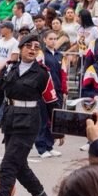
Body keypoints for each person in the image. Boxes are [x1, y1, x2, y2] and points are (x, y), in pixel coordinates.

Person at [0, 34, 60, 196]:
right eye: (28, 46)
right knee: (20, 166)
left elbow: (52, 103)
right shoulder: (9, 68)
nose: (32, 49)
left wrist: (59, 130)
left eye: (36, 47)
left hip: (29, 123)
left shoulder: (42, 73)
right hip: (10, 120)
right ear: (21, 48)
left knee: (8, 165)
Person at [35, 30, 68, 159]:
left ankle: (49, 145)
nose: (53, 41)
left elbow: (63, 74)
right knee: (43, 120)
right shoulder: (41, 54)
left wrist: (64, 90)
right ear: (44, 40)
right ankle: (41, 147)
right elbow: (38, 71)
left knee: (53, 120)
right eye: (50, 39)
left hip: (57, 91)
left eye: (55, 39)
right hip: (44, 92)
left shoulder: (60, 56)